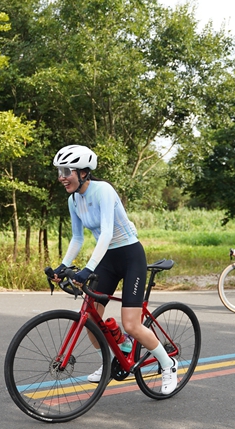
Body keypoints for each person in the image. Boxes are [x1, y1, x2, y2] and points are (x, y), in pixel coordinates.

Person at [50, 144, 178, 392]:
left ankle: (168, 364)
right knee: (90, 316)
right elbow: (77, 238)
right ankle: (109, 361)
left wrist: (87, 269)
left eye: (66, 171)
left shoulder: (104, 191)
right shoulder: (73, 200)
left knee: (131, 325)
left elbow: (107, 232)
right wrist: (62, 266)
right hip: (107, 258)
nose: (61, 177)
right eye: (59, 171)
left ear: (84, 172)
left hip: (130, 255)